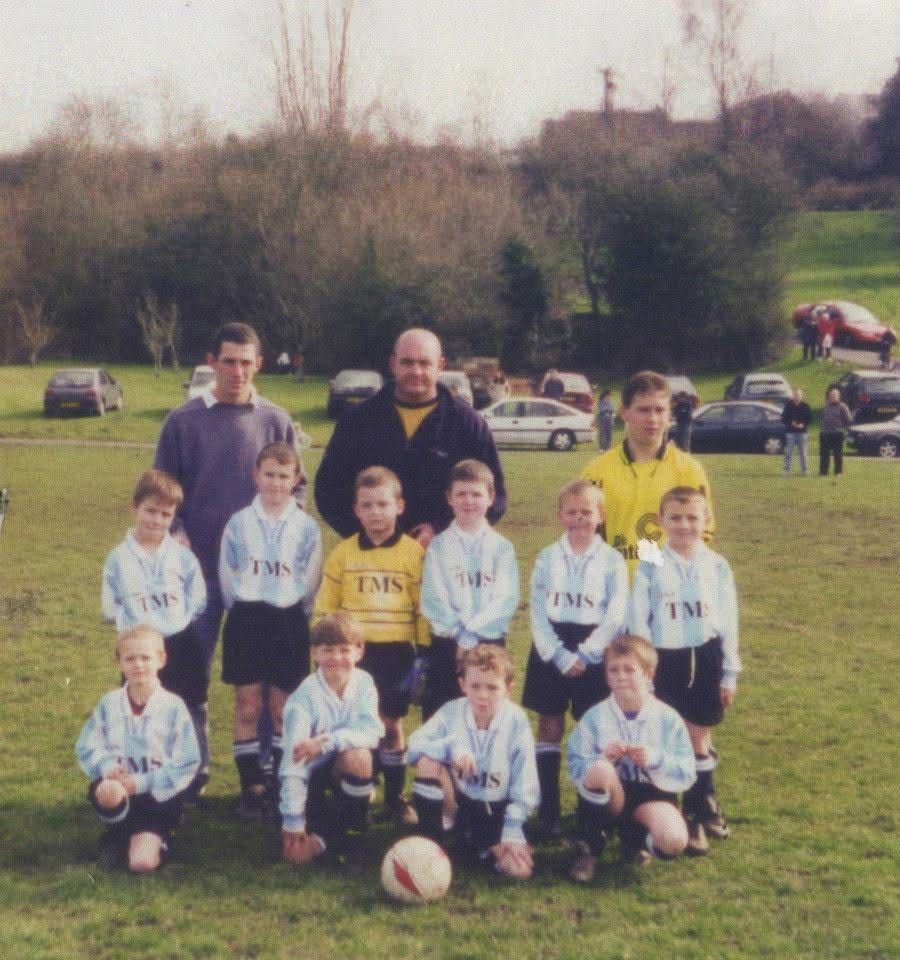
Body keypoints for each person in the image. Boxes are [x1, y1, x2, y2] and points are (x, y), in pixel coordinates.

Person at [154, 322, 298, 792]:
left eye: (247, 361)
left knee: (258, 681)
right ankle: (189, 771)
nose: (238, 371)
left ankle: (259, 778)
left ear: (259, 363)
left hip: (259, 583)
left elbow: (296, 489)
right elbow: (162, 492)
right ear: (211, 362)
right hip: (198, 577)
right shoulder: (182, 421)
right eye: (228, 361)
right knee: (187, 677)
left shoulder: (277, 421)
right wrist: (175, 532)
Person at [314, 328, 506, 548]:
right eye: (407, 362)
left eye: (425, 363)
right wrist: (370, 535)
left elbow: (495, 497)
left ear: (440, 366)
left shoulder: (466, 423)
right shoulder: (358, 420)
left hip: (444, 559)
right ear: (393, 364)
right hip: (374, 562)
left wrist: (441, 530)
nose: (416, 371)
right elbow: (328, 492)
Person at [626, 487, 740, 855]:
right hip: (665, 659)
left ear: (707, 521)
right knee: (664, 737)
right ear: (661, 522)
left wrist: (729, 671)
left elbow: (728, 621)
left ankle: (699, 811)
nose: (684, 525)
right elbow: (638, 617)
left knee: (697, 737)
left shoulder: (717, 565)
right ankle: (665, 808)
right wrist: (645, 669)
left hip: (705, 657)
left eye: (693, 518)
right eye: (675, 518)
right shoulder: (651, 560)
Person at [313, 466, 428, 826]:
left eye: (383, 504)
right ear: (356, 510)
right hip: (352, 656)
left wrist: (424, 652)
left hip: (395, 651)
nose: (376, 512)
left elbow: (423, 606)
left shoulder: (414, 553)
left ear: (399, 506)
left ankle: (396, 795)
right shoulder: (343, 554)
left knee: (391, 723)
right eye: (367, 505)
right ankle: (355, 783)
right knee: (356, 720)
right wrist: (324, 650)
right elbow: (326, 607)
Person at [219, 442, 323, 822]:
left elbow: (311, 580)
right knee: (248, 706)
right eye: (269, 475)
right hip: (247, 619)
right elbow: (227, 575)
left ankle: (282, 782)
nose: (276, 483)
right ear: (256, 475)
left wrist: (295, 609)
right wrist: (245, 606)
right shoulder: (239, 522)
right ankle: (252, 786)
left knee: (283, 709)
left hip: (288, 621)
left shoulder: (307, 527)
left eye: (284, 476)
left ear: (295, 480)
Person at [521, 479, 629, 839]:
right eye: (571, 511)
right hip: (553, 647)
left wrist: (588, 652)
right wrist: (557, 654)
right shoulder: (547, 556)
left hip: (593, 647)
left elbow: (616, 613)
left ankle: (590, 809)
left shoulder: (613, 560)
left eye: (587, 511)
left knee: (594, 726)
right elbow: (536, 610)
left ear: (601, 516)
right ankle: (548, 808)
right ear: (559, 515)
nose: (579, 518)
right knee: (549, 724)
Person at [566, 634, 695, 881]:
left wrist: (654, 759)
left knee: (674, 840)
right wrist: (603, 758)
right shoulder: (595, 717)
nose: (620, 676)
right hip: (612, 795)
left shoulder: (667, 718)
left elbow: (687, 771)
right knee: (600, 769)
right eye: (613, 670)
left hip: (651, 796)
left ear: (648, 673)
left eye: (629, 669)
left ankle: (634, 841)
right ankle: (589, 849)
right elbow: (574, 766)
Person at [75, 625, 200, 873]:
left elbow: (188, 761)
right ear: (118, 663)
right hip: (120, 791)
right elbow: (87, 744)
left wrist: (141, 783)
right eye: (130, 659)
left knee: (142, 865)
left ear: (161, 659)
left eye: (145, 658)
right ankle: (117, 834)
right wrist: (107, 766)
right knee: (108, 790)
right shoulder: (110, 703)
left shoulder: (174, 707)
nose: (138, 665)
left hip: (156, 796)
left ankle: (155, 840)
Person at [408, 644, 539, 879]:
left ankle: (480, 845)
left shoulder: (517, 721)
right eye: (475, 686)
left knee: (517, 871)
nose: (482, 695)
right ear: (462, 685)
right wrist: (452, 749)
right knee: (428, 762)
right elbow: (413, 747)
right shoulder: (451, 711)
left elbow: (525, 783)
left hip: (498, 809)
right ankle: (431, 846)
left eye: (492, 687)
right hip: (461, 801)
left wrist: (512, 829)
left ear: (509, 688)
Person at [102, 469, 207, 745]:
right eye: (151, 511)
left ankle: (194, 771)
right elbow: (110, 607)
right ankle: (140, 768)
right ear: (134, 507)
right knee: (139, 706)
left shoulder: (182, 557)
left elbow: (197, 599)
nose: (157, 520)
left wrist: (174, 622)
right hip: (139, 649)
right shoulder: (118, 559)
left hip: (180, 643)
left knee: (188, 705)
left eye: (166, 514)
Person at [580, 370, 714, 578]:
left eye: (659, 410)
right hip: (615, 593)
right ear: (624, 412)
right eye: (643, 410)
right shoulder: (597, 471)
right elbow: (583, 532)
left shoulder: (689, 470)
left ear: (670, 414)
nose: (652, 419)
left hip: (669, 593)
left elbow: (704, 531)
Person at [279, 614, 384, 873]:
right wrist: (293, 820)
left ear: (359, 651)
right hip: (310, 778)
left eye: (344, 650)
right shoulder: (303, 699)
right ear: (314, 653)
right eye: (327, 650)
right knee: (297, 857)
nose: (336, 658)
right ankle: (329, 833)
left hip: (343, 765)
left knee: (359, 757)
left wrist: (326, 742)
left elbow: (371, 732)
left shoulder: (364, 683)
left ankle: (353, 837)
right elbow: (294, 762)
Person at [420, 459, 519, 720]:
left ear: (491, 497)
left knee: (487, 711)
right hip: (447, 644)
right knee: (442, 713)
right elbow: (433, 598)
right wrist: (458, 636)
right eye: (461, 494)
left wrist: (470, 637)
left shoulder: (501, 548)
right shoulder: (439, 546)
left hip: (489, 641)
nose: (469, 501)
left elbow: (505, 599)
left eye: (476, 494)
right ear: (449, 498)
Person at [819, 387, 853, 479]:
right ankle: (823, 472)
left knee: (837, 454)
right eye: (831, 395)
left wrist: (843, 429)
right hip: (825, 433)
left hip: (837, 433)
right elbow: (822, 418)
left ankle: (838, 471)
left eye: (834, 395)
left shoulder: (843, 406)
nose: (832, 397)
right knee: (824, 454)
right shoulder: (826, 406)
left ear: (838, 396)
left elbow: (848, 419)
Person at [781, 388, 812, 476]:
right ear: (793, 396)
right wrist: (791, 423)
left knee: (803, 452)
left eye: (798, 395)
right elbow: (783, 418)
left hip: (802, 433)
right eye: (795, 395)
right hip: (790, 432)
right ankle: (787, 469)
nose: (797, 397)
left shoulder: (806, 406)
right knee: (788, 451)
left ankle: (805, 470)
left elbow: (810, 418)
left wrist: (803, 424)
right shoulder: (788, 406)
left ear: (801, 396)